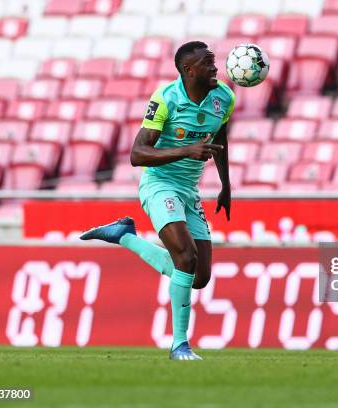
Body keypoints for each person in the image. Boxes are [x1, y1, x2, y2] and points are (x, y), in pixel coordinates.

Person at [80, 41, 235, 361]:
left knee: (199, 277)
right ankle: (180, 345)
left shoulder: (224, 98)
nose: (215, 67)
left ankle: (123, 235)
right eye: (208, 63)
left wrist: (226, 184)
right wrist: (185, 151)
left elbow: (219, 136)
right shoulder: (166, 99)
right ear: (189, 70)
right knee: (186, 257)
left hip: (189, 190)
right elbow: (138, 155)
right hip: (159, 184)